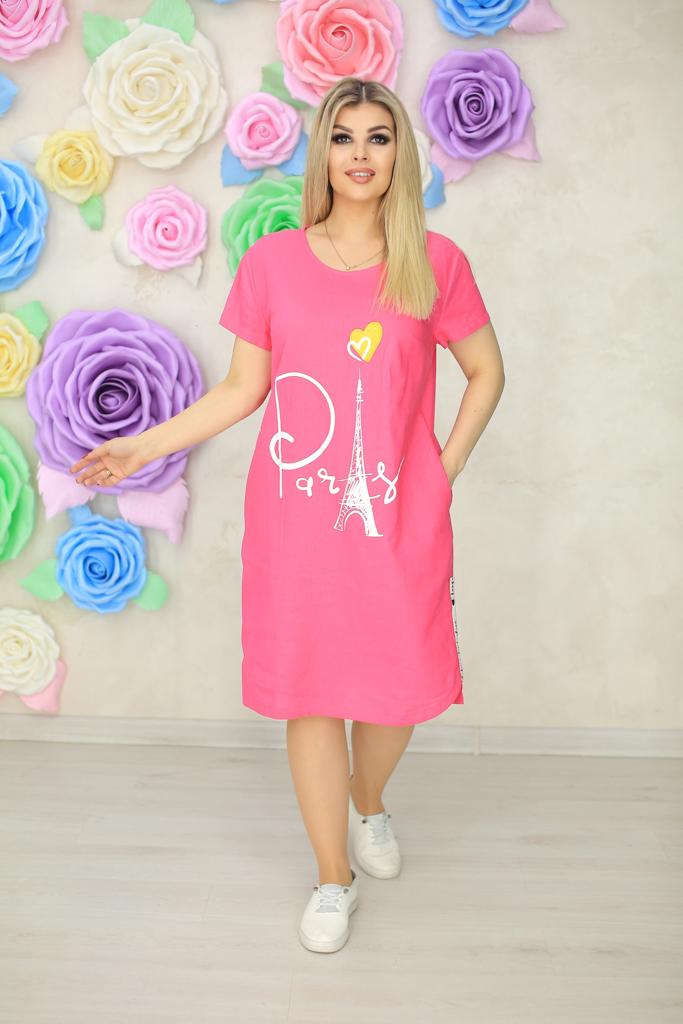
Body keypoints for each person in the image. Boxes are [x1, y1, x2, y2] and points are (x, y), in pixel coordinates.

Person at [69, 77, 505, 954]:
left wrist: (443, 468)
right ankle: (332, 878)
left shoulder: (436, 262)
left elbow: (485, 372)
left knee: (397, 692)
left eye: (377, 137)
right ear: (322, 153)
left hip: (398, 519)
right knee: (311, 695)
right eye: (342, 136)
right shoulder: (272, 262)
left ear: (399, 152)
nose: (359, 154)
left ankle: (367, 801)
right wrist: (143, 447)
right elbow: (241, 390)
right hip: (296, 525)